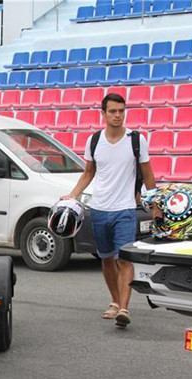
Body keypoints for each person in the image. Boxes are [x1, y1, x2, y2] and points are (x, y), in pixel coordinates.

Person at [62, 93, 155, 329]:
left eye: (121, 111)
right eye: (113, 111)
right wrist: (73, 194)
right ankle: (114, 301)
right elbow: (88, 173)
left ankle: (124, 308)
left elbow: (148, 175)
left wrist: (156, 205)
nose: (118, 115)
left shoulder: (136, 140)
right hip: (99, 209)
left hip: (125, 209)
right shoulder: (94, 140)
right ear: (103, 114)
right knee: (105, 258)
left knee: (124, 259)